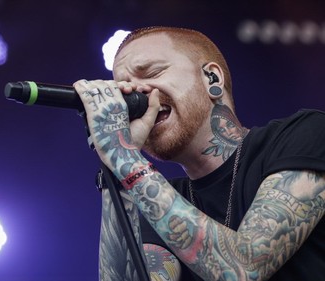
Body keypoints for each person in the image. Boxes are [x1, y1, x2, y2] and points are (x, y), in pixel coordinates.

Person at [73, 26, 325, 281]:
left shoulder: (305, 133)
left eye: (151, 72)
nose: (132, 93)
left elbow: (245, 267)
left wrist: (124, 158)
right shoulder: (159, 206)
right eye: (122, 87)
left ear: (211, 78)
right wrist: (115, 169)